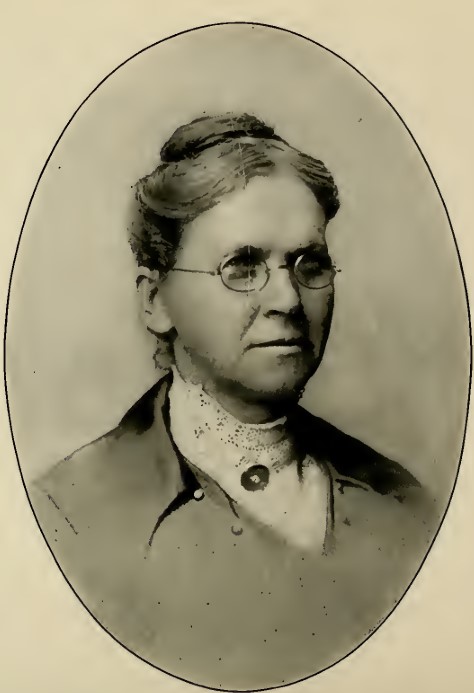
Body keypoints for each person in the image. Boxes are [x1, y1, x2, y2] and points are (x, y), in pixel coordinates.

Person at [31, 113, 435, 691]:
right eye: (242, 267)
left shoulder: (405, 507)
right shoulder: (66, 517)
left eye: (310, 265)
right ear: (156, 301)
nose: (287, 299)